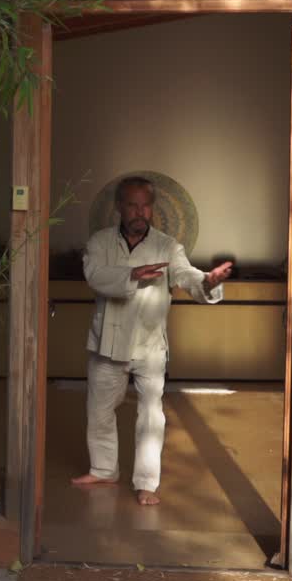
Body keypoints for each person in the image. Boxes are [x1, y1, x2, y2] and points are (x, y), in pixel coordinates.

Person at [69, 176, 233, 506]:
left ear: (152, 208)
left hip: (149, 345)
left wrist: (208, 281)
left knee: (151, 416)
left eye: (145, 205)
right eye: (132, 204)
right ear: (119, 207)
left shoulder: (167, 246)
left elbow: (186, 276)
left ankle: (146, 483)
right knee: (99, 411)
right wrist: (130, 275)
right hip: (108, 342)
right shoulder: (100, 242)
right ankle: (103, 469)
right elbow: (95, 277)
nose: (139, 212)